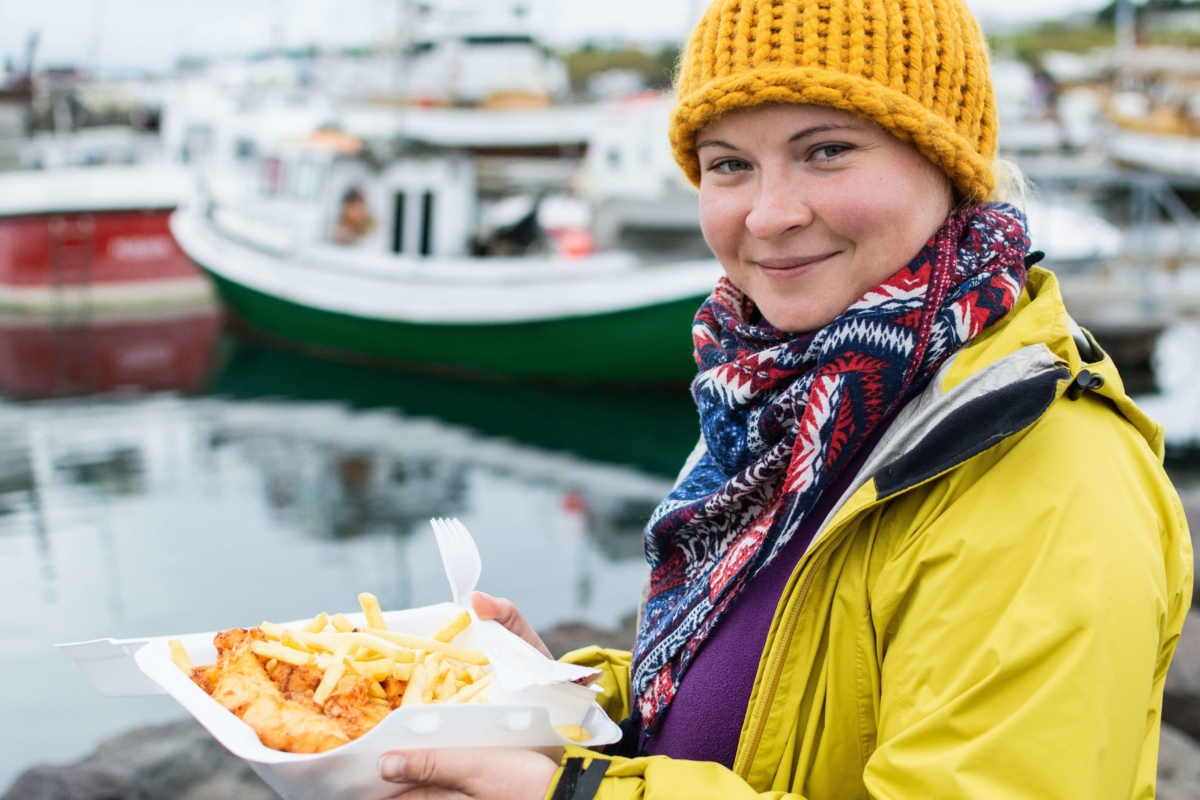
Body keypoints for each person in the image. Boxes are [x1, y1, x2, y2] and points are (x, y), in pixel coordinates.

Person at [377, 0, 1193, 796]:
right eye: (730, 163)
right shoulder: (781, 398)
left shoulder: (1049, 479)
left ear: (946, 160)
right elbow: (772, 708)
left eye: (827, 149)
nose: (768, 215)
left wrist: (577, 795)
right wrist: (555, 706)